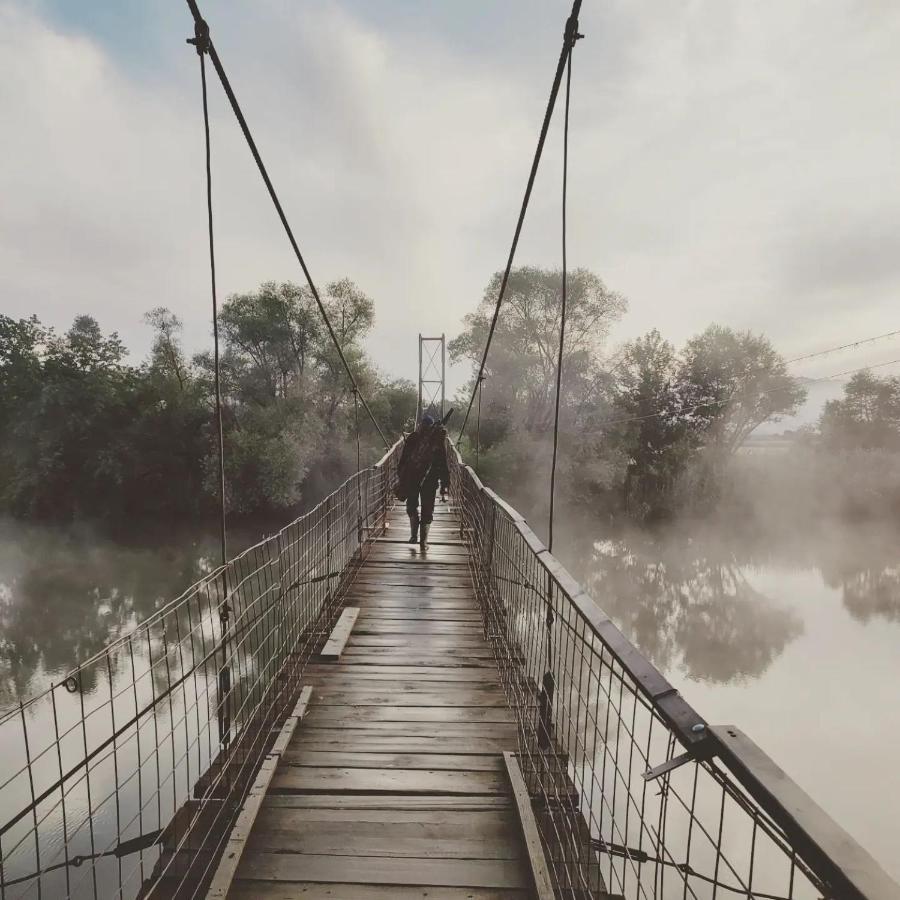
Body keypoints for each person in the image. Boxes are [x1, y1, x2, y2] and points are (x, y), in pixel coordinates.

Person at [397, 414, 449, 548]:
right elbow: (443, 464)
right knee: (427, 509)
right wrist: (445, 484)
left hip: (413, 478)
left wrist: (402, 478)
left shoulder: (413, 437)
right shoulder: (437, 440)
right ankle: (423, 541)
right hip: (429, 481)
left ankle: (415, 537)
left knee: (412, 506)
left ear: (420, 425)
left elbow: (403, 460)